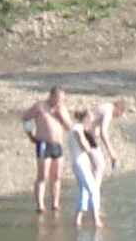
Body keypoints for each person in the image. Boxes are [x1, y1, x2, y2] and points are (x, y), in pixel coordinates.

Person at [22, 86, 70, 214]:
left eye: (61, 98)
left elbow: (69, 127)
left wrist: (61, 116)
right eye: (57, 97)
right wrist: (30, 134)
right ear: (51, 96)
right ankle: (40, 205)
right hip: (44, 144)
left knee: (57, 176)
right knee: (43, 176)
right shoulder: (40, 107)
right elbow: (25, 118)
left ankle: (55, 203)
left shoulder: (62, 109)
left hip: (58, 145)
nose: (59, 100)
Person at [68, 108, 109, 226]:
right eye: (90, 119)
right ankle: (96, 220)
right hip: (80, 164)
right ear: (86, 119)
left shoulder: (77, 129)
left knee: (83, 192)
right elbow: (85, 147)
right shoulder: (78, 129)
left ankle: (77, 220)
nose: (92, 122)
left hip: (81, 164)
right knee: (94, 191)